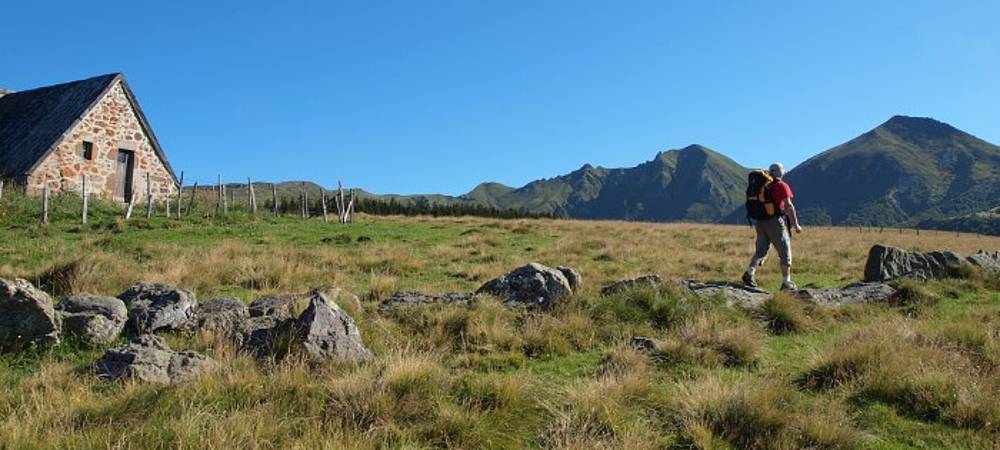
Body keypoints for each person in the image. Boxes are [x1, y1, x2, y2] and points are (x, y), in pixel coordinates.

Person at [742, 162, 803, 290]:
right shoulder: (781, 185)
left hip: (760, 221)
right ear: (780, 172)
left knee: (761, 250)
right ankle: (786, 282)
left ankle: (749, 273)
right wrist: (796, 224)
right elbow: (788, 205)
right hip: (775, 221)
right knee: (785, 251)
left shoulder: (764, 186)